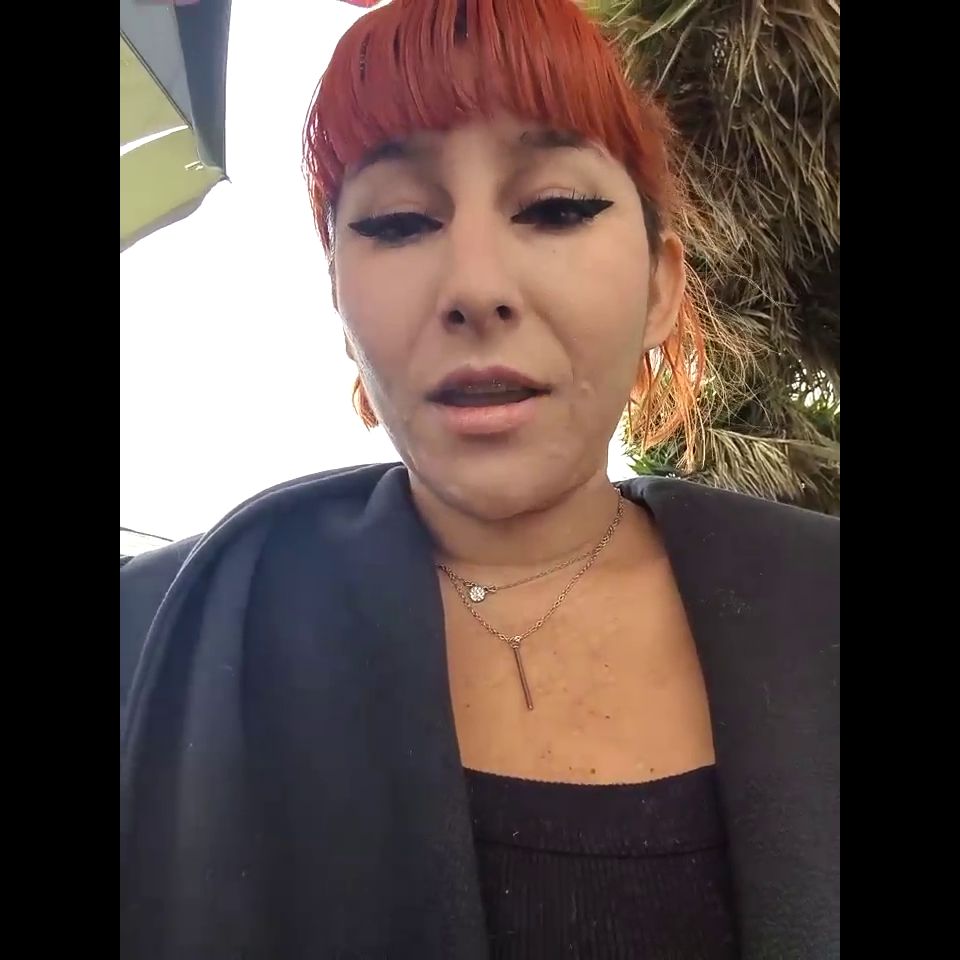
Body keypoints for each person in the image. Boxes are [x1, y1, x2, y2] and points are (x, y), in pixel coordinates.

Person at [119, 1, 839, 957]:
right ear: (338, 299)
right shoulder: (152, 642)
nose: (475, 288)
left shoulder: (818, 602)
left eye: (555, 207)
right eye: (399, 221)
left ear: (661, 286)